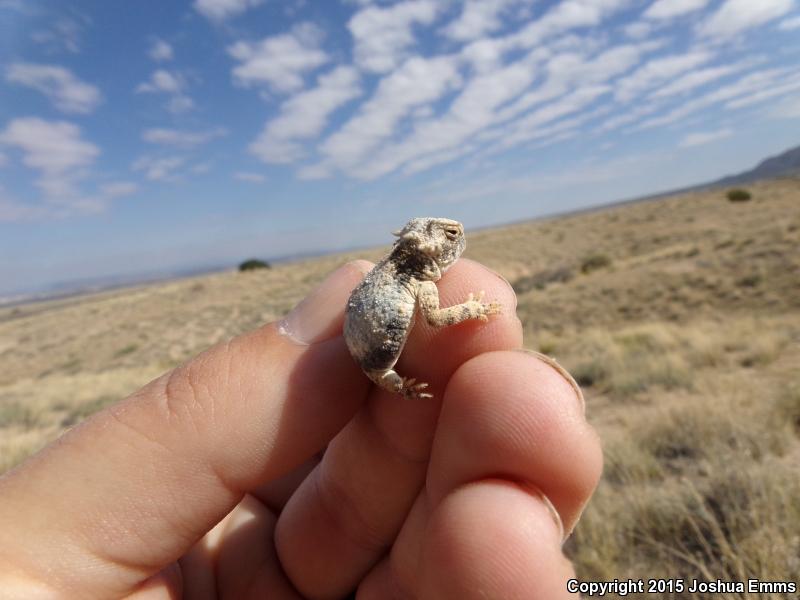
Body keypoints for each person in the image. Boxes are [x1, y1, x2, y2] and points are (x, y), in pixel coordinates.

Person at [0, 259, 602, 599]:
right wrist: (474, 311)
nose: (452, 243)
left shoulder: (401, 274)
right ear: (425, 248)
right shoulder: (413, 280)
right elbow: (442, 317)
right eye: (445, 237)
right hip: (372, 358)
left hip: (371, 357)